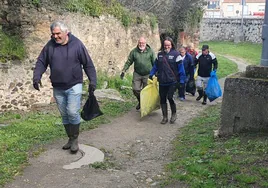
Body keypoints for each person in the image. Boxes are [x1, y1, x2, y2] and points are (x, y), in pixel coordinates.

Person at [33, 21, 97, 154]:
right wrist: (36, 77)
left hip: (74, 84)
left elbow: (88, 64)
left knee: (72, 112)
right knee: (65, 115)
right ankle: (70, 138)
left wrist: (93, 81)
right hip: (58, 86)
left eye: (58, 34)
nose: (55, 37)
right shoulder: (49, 46)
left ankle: (75, 139)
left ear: (66, 32)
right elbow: (41, 61)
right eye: (53, 34)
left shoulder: (77, 45)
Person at [149, 37, 185, 124]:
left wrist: (182, 81)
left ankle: (174, 114)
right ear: (163, 45)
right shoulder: (160, 55)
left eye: (168, 45)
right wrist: (151, 74)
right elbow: (155, 66)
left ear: (171, 45)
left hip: (172, 81)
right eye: (165, 45)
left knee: (170, 97)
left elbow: (181, 69)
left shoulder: (177, 55)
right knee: (162, 99)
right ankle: (165, 117)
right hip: (162, 81)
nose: (166, 47)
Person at [120, 37, 156, 110]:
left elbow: (155, 63)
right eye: (140, 43)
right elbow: (129, 61)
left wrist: (156, 73)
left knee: (146, 91)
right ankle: (140, 101)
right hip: (137, 73)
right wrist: (124, 70)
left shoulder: (150, 51)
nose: (141, 44)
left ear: (145, 43)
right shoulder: (134, 51)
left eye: (143, 43)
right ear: (138, 43)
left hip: (148, 74)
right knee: (135, 89)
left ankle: (145, 107)